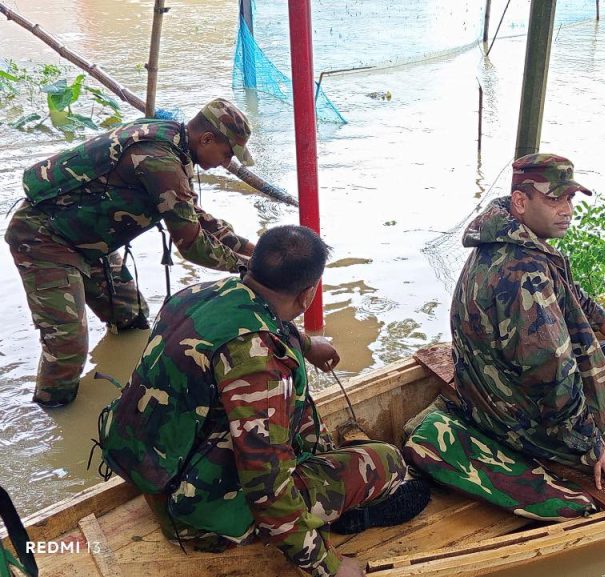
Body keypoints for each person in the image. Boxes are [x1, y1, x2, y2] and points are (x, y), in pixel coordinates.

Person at [98, 225, 429, 577]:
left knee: (298, 419)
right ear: (307, 295)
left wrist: (307, 344)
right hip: (198, 516)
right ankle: (344, 522)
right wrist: (328, 566)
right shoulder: (259, 366)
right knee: (387, 461)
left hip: (155, 476)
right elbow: (267, 487)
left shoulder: (197, 294)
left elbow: (250, 318)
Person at [6, 98, 257, 407]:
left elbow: (192, 214)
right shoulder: (159, 160)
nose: (225, 163)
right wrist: (247, 269)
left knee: (130, 316)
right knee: (67, 345)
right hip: (45, 239)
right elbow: (192, 244)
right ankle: (53, 410)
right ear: (207, 139)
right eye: (227, 153)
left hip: (87, 241)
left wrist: (252, 250)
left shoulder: (172, 141)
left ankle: (121, 386)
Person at [449, 153, 605, 491]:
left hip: (485, 398)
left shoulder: (503, 242)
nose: (567, 210)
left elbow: (563, 289)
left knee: (604, 360)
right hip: (519, 423)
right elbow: (551, 375)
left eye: (569, 198)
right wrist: (591, 443)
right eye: (554, 200)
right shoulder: (526, 275)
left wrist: (601, 318)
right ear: (520, 201)